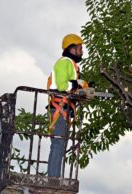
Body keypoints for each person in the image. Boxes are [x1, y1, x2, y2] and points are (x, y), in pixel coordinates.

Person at [47, 33, 84, 178]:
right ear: (72, 49)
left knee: (60, 145)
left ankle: (54, 177)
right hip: (60, 107)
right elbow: (62, 85)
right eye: (80, 48)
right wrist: (75, 85)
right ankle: (53, 179)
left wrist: (81, 88)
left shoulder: (72, 65)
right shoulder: (64, 62)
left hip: (64, 108)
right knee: (58, 144)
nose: (82, 52)